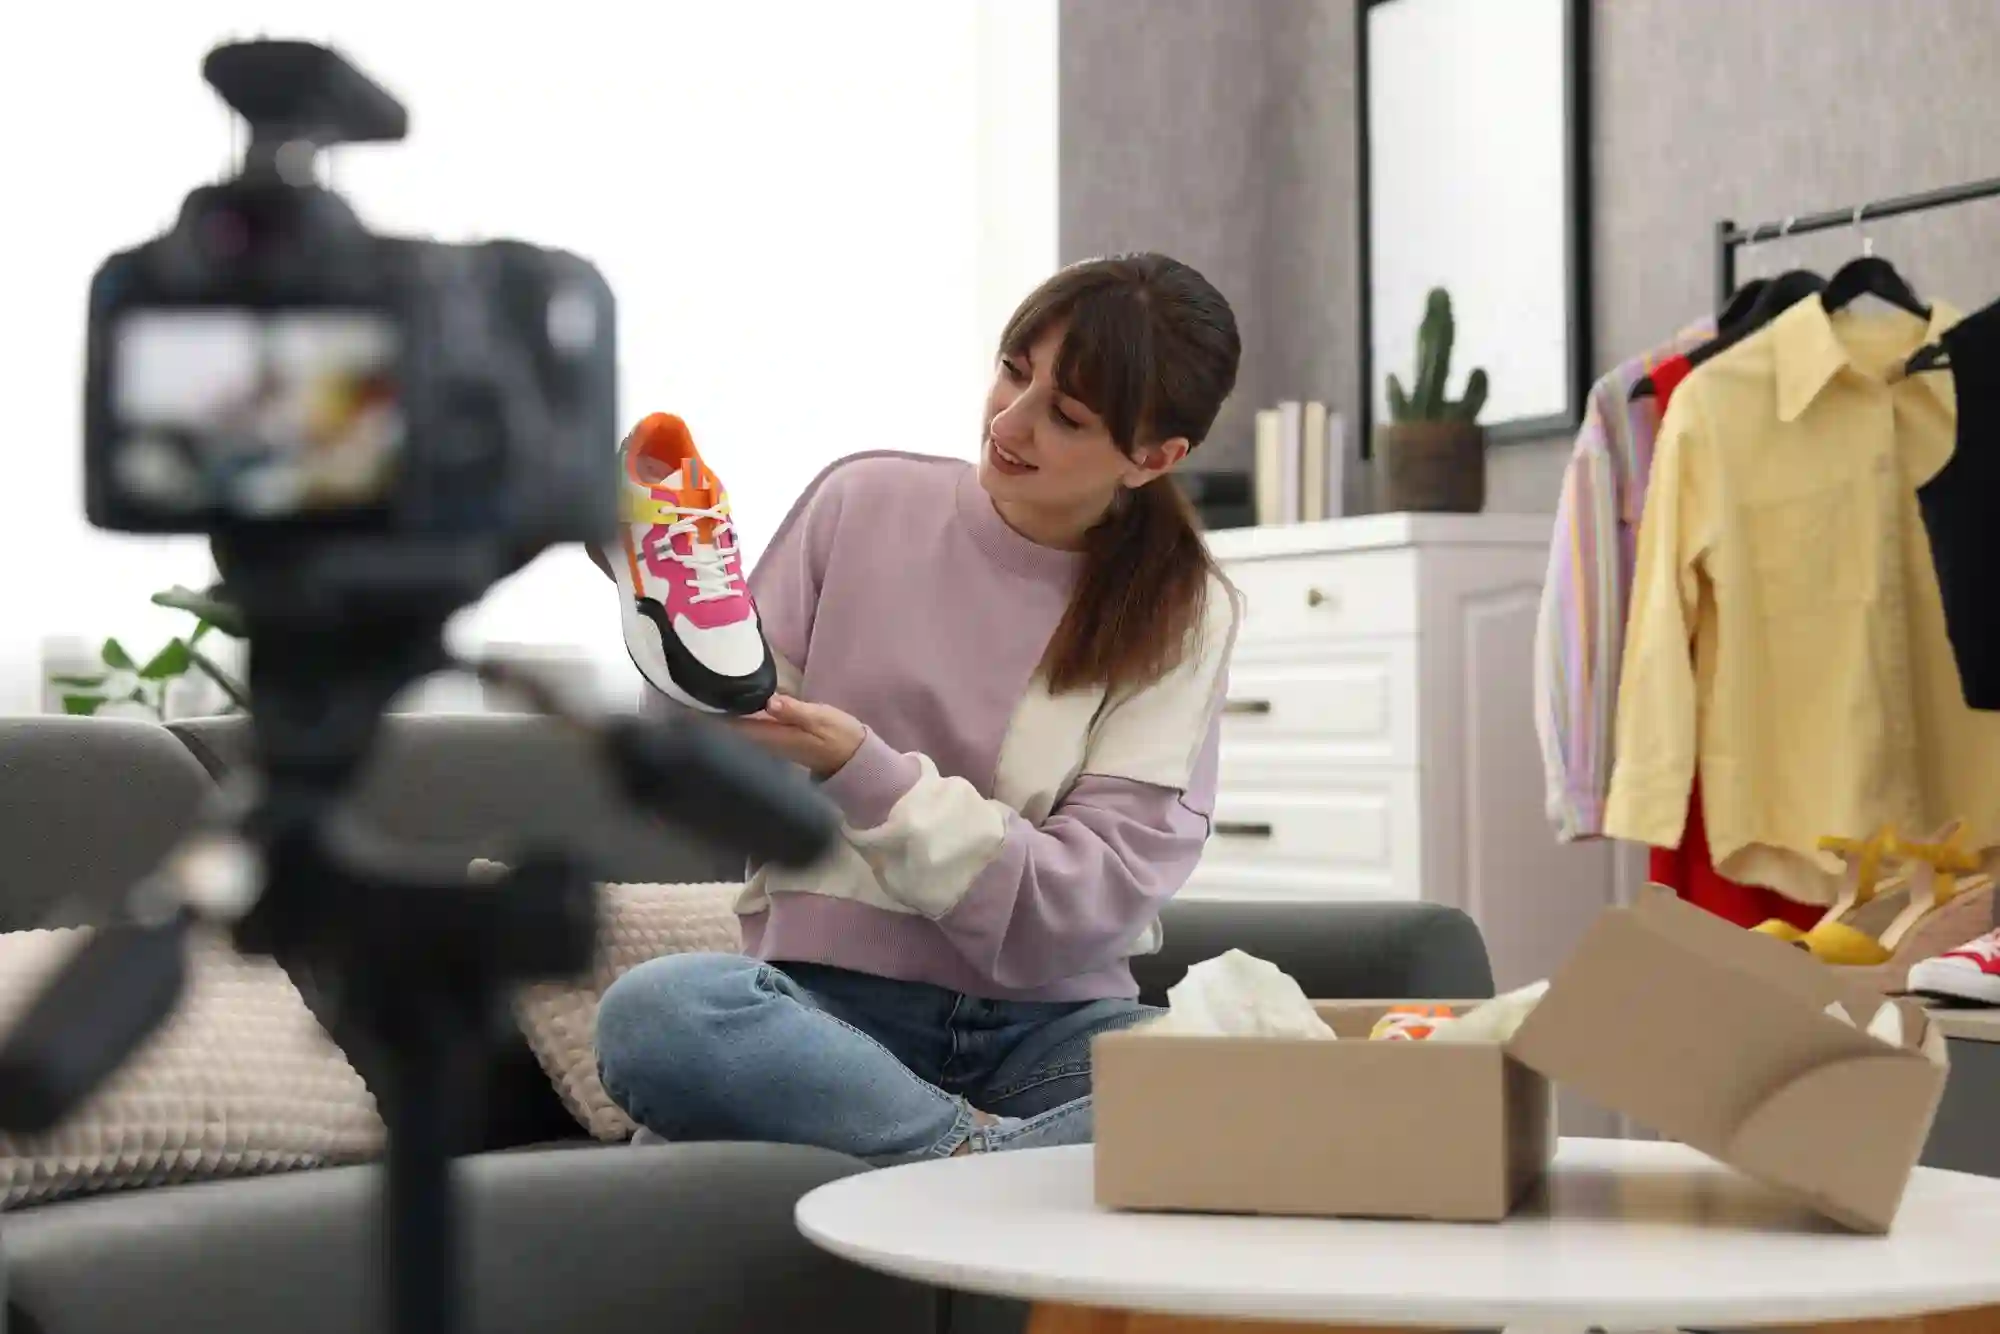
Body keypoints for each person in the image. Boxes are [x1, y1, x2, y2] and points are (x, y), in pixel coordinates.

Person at [592, 253, 1243, 1163]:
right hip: (830, 1014)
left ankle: (919, 1158)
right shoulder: (862, 503)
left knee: (1236, 1084)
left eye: (1067, 415)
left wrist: (861, 771)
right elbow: (696, 754)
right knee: (661, 1013)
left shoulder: (1185, 610)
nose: (1010, 422)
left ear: (1154, 458)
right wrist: (681, 663)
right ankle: (979, 1160)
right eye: (1015, 371)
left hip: (1051, 1032)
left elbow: (1078, 900)